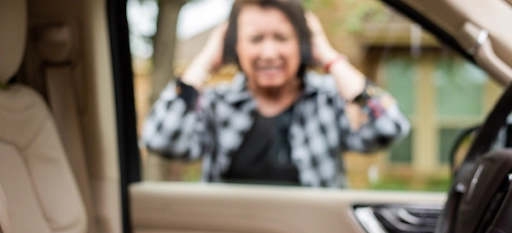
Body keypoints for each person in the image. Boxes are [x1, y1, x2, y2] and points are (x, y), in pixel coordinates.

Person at [142, 0, 410, 187]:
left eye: (282, 38)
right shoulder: (216, 103)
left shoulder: (328, 98)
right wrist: (204, 60)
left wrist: (329, 57)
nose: (269, 53)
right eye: (256, 39)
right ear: (235, 46)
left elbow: (388, 128)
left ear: (302, 44)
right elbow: (160, 139)